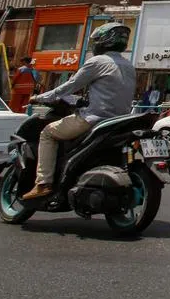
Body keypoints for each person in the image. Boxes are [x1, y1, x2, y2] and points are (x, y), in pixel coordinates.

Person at [22, 22, 135, 201]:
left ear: (103, 42)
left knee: (47, 133)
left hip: (94, 119)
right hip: (118, 121)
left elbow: (70, 86)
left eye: (96, 41)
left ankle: (43, 183)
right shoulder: (129, 66)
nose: (94, 45)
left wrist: (40, 98)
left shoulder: (97, 61)